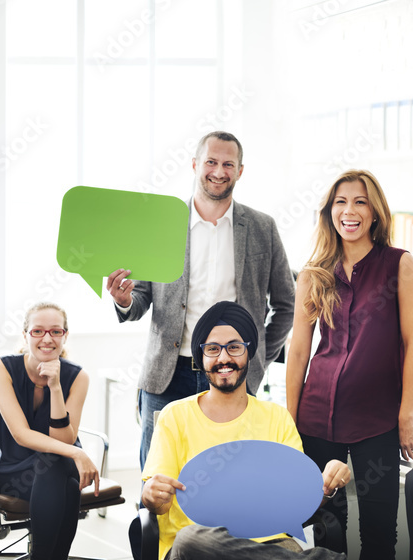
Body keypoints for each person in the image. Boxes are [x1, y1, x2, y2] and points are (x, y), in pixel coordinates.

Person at [106, 131, 296, 469]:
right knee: (158, 476)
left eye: (228, 164)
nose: (219, 171)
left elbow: (286, 304)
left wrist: (258, 358)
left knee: (230, 478)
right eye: (211, 161)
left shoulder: (262, 227)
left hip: (233, 373)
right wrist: (124, 300)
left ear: (240, 171)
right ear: (195, 165)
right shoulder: (162, 223)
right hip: (168, 374)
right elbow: (140, 300)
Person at [143, 301, 350, 560]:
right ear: (201, 356)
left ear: (248, 352)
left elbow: (297, 505)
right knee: (189, 539)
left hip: (270, 544)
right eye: (212, 349)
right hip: (199, 550)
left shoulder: (276, 418)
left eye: (234, 347)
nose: (224, 358)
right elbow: (159, 506)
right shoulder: (175, 416)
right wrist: (151, 496)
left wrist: (326, 485)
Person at [286, 169, 413, 559]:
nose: (349, 210)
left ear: (375, 212)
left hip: (376, 421)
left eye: (360, 201)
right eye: (340, 202)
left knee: (379, 533)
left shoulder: (400, 265)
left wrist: (405, 415)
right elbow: (299, 352)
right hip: (316, 418)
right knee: (322, 524)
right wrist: (289, 422)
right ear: (330, 212)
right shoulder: (313, 274)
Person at [0, 302, 101, 560]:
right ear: (25, 335)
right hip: (12, 470)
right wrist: (77, 454)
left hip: (56, 465)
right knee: (66, 481)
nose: (47, 339)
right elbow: (21, 435)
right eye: (38, 331)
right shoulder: (3, 368)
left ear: (65, 335)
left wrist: (56, 387)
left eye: (55, 331)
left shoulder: (78, 377)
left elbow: (63, 439)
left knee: (54, 463)